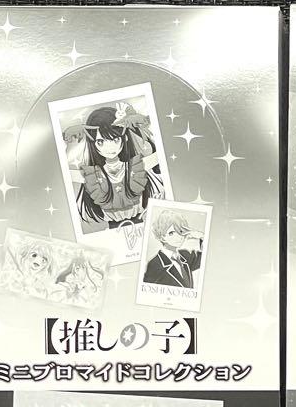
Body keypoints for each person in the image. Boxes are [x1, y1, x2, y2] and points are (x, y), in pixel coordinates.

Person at [62, 101, 163, 230]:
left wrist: (134, 122)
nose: (109, 148)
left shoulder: (135, 167)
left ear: (125, 138)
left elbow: (161, 152)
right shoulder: (93, 176)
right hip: (113, 230)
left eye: (115, 139)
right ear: (93, 144)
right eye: (100, 142)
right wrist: (65, 140)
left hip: (142, 225)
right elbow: (64, 173)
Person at [142, 210, 204, 288]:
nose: (178, 236)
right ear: (162, 237)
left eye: (180, 231)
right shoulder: (155, 263)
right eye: (171, 233)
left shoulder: (186, 255)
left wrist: (202, 237)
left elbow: (206, 258)